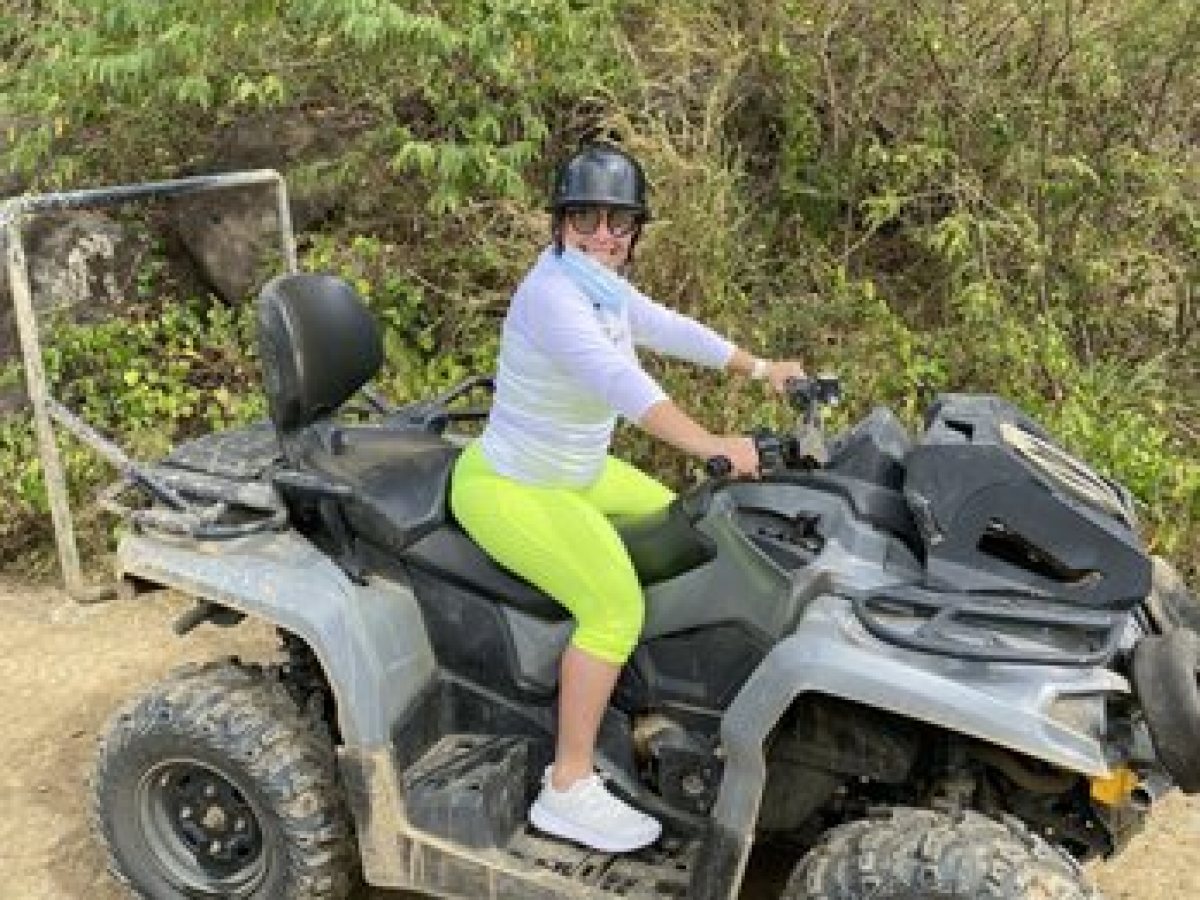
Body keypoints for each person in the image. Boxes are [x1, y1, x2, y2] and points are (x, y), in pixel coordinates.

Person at [449, 142, 805, 853]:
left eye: (619, 222)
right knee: (614, 606)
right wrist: (711, 444)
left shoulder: (601, 285)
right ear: (560, 223)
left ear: (636, 231)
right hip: (514, 484)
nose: (604, 235)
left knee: (693, 529)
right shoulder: (552, 295)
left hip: (579, 472)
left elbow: (667, 327)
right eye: (587, 218)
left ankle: (658, 700)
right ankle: (568, 783)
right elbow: (624, 384)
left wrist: (762, 368)